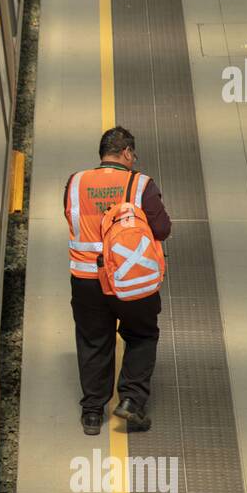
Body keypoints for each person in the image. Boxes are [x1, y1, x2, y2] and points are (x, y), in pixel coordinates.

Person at [64, 127, 171, 435]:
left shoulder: (75, 182)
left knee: (93, 340)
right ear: (126, 153)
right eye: (133, 155)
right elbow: (161, 229)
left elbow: (70, 218)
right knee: (141, 335)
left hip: (86, 279)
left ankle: (93, 413)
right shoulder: (140, 185)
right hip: (129, 277)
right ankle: (131, 403)